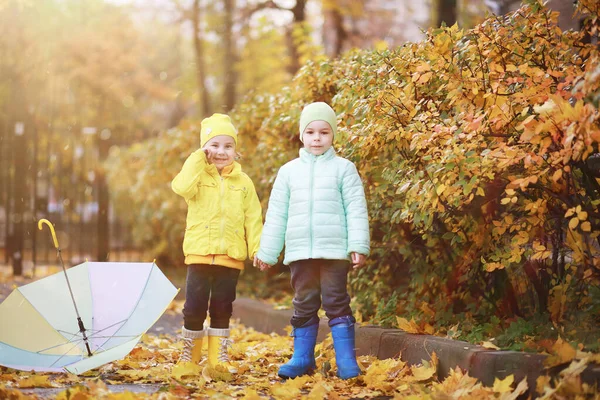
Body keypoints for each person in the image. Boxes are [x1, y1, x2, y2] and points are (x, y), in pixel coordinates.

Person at [255, 102, 370, 380]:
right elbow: (277, 214)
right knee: (304, 302)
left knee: (336, 301)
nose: (317, 138)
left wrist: (358, 245)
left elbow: (356, 208)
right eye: (310, 132)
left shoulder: (344, 169)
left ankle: (346, 361)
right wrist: (268, 252)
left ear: (333, 136)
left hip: (334, 252)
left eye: (324, 132)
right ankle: (302, 358)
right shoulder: (289, 172)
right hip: (300, 253)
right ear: (301, 135)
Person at [171, 113, 263, 372]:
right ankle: (189, 358)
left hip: (230, 257)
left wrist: (257, 249)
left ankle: (217, 360)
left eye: (228, 146)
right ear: (204, 148)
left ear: (236, 150)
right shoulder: (197, 177)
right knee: (194, 308)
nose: (221, 152)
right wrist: (198, 158)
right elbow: (180, 186)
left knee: (222, 307)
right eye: (214, 145)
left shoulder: (244, 182)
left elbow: (253, 218)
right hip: (200, 254)